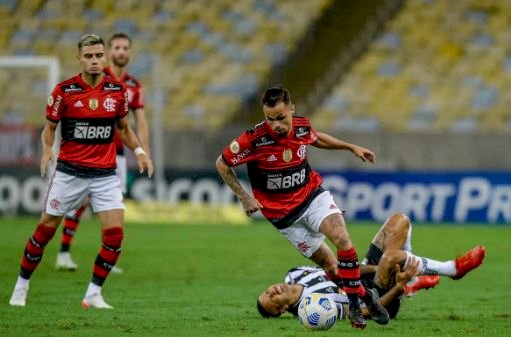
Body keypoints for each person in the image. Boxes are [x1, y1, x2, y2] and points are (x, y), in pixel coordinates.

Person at [216, 86, 388, 329]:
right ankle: (366, 296)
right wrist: (244, 197)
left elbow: (317, 138)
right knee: (332, 268)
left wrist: (351, 147)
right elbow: (222, 164)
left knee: (341, 237)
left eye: (281, 118)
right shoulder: (253, 140)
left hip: (312, 197)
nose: (276, 125)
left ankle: (355, 309)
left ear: (292, 110)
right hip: (285, 218)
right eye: (269, 119)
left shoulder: (301, 126)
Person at [8, 34, 153, 309]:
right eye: (89, 56)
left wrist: (140, 152)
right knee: (44, 231)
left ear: (105, 57)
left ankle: (93, 293)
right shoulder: (64, 91)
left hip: (105, 175)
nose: (95, 60)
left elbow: (123, 128)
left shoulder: (117, 90)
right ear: (79, 59)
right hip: (69, 173)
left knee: (115, 237)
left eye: (99, 55)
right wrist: (47, 149)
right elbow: (49, 128)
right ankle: (21, 285)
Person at [257, 212, 486, 321]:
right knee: (390, 259)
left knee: (399, 220)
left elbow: (343, 270)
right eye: (272, 299)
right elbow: (366, 312)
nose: (272, 291)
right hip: (377, 297)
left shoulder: (294, 274)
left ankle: (413, 280)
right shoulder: (315, 308)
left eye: (267, 291)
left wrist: (375, 269)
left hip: (366, 271)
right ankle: (453, 269)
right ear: (283, 309)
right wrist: (397, 287)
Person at [55, 32, 150, 273]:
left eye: (125, 48)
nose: (121, 52)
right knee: (82, 201)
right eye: (117, 47)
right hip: (91, 153)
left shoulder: (133, 86)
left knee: (112, 206)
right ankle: (64, 252)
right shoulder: (97, 77)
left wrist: (143, 152)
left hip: (116, 155)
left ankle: (106, 257)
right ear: (109, 52)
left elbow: (140, 122)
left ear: (129, 53)